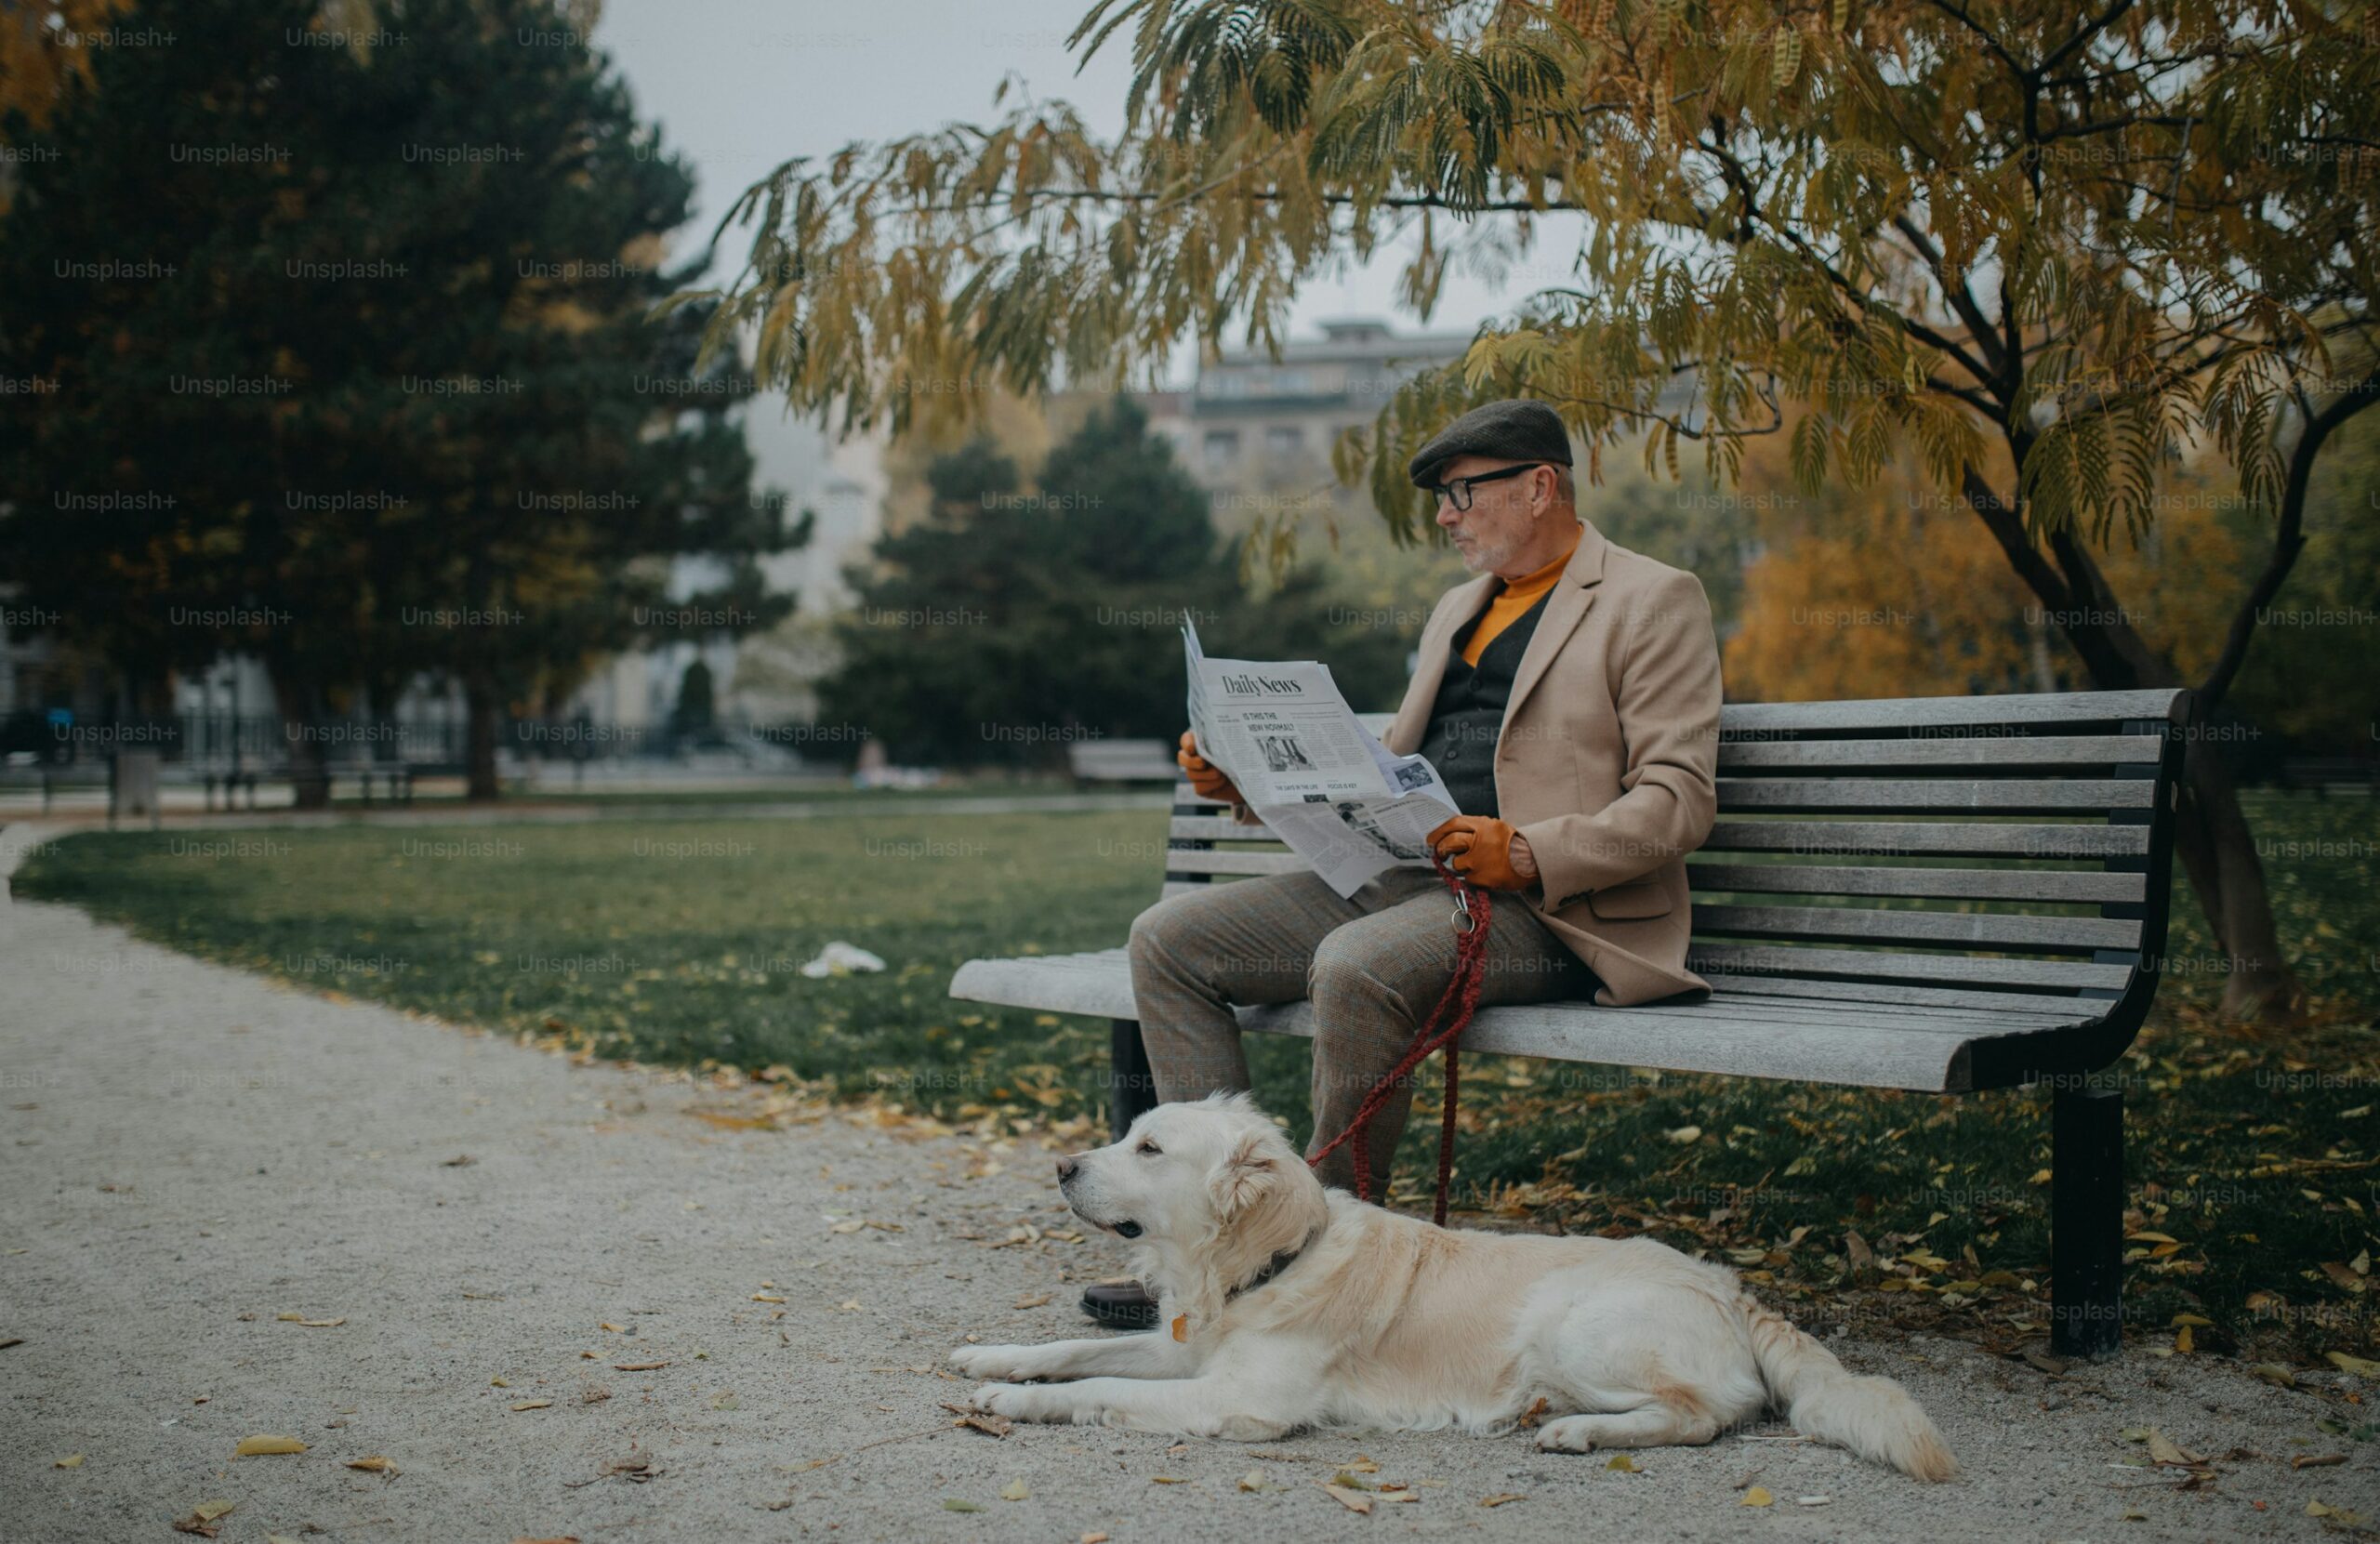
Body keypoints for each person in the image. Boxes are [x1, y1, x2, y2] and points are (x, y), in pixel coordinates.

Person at [1082, 399, 1724, 1330]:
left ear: (1539, 485)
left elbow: (1677, 800)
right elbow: (1386, 772)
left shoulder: (1651, 597)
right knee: (1168, 940)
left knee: (1356, 964)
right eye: (1441, 500)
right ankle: (1201, 1238)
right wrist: (1242, 784)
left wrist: (1526, 850)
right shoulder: (1459, 608)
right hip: (1410, 878)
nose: (1445, 517)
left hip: (1549, 908)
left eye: (1462, 493)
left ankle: (1320, 1258)